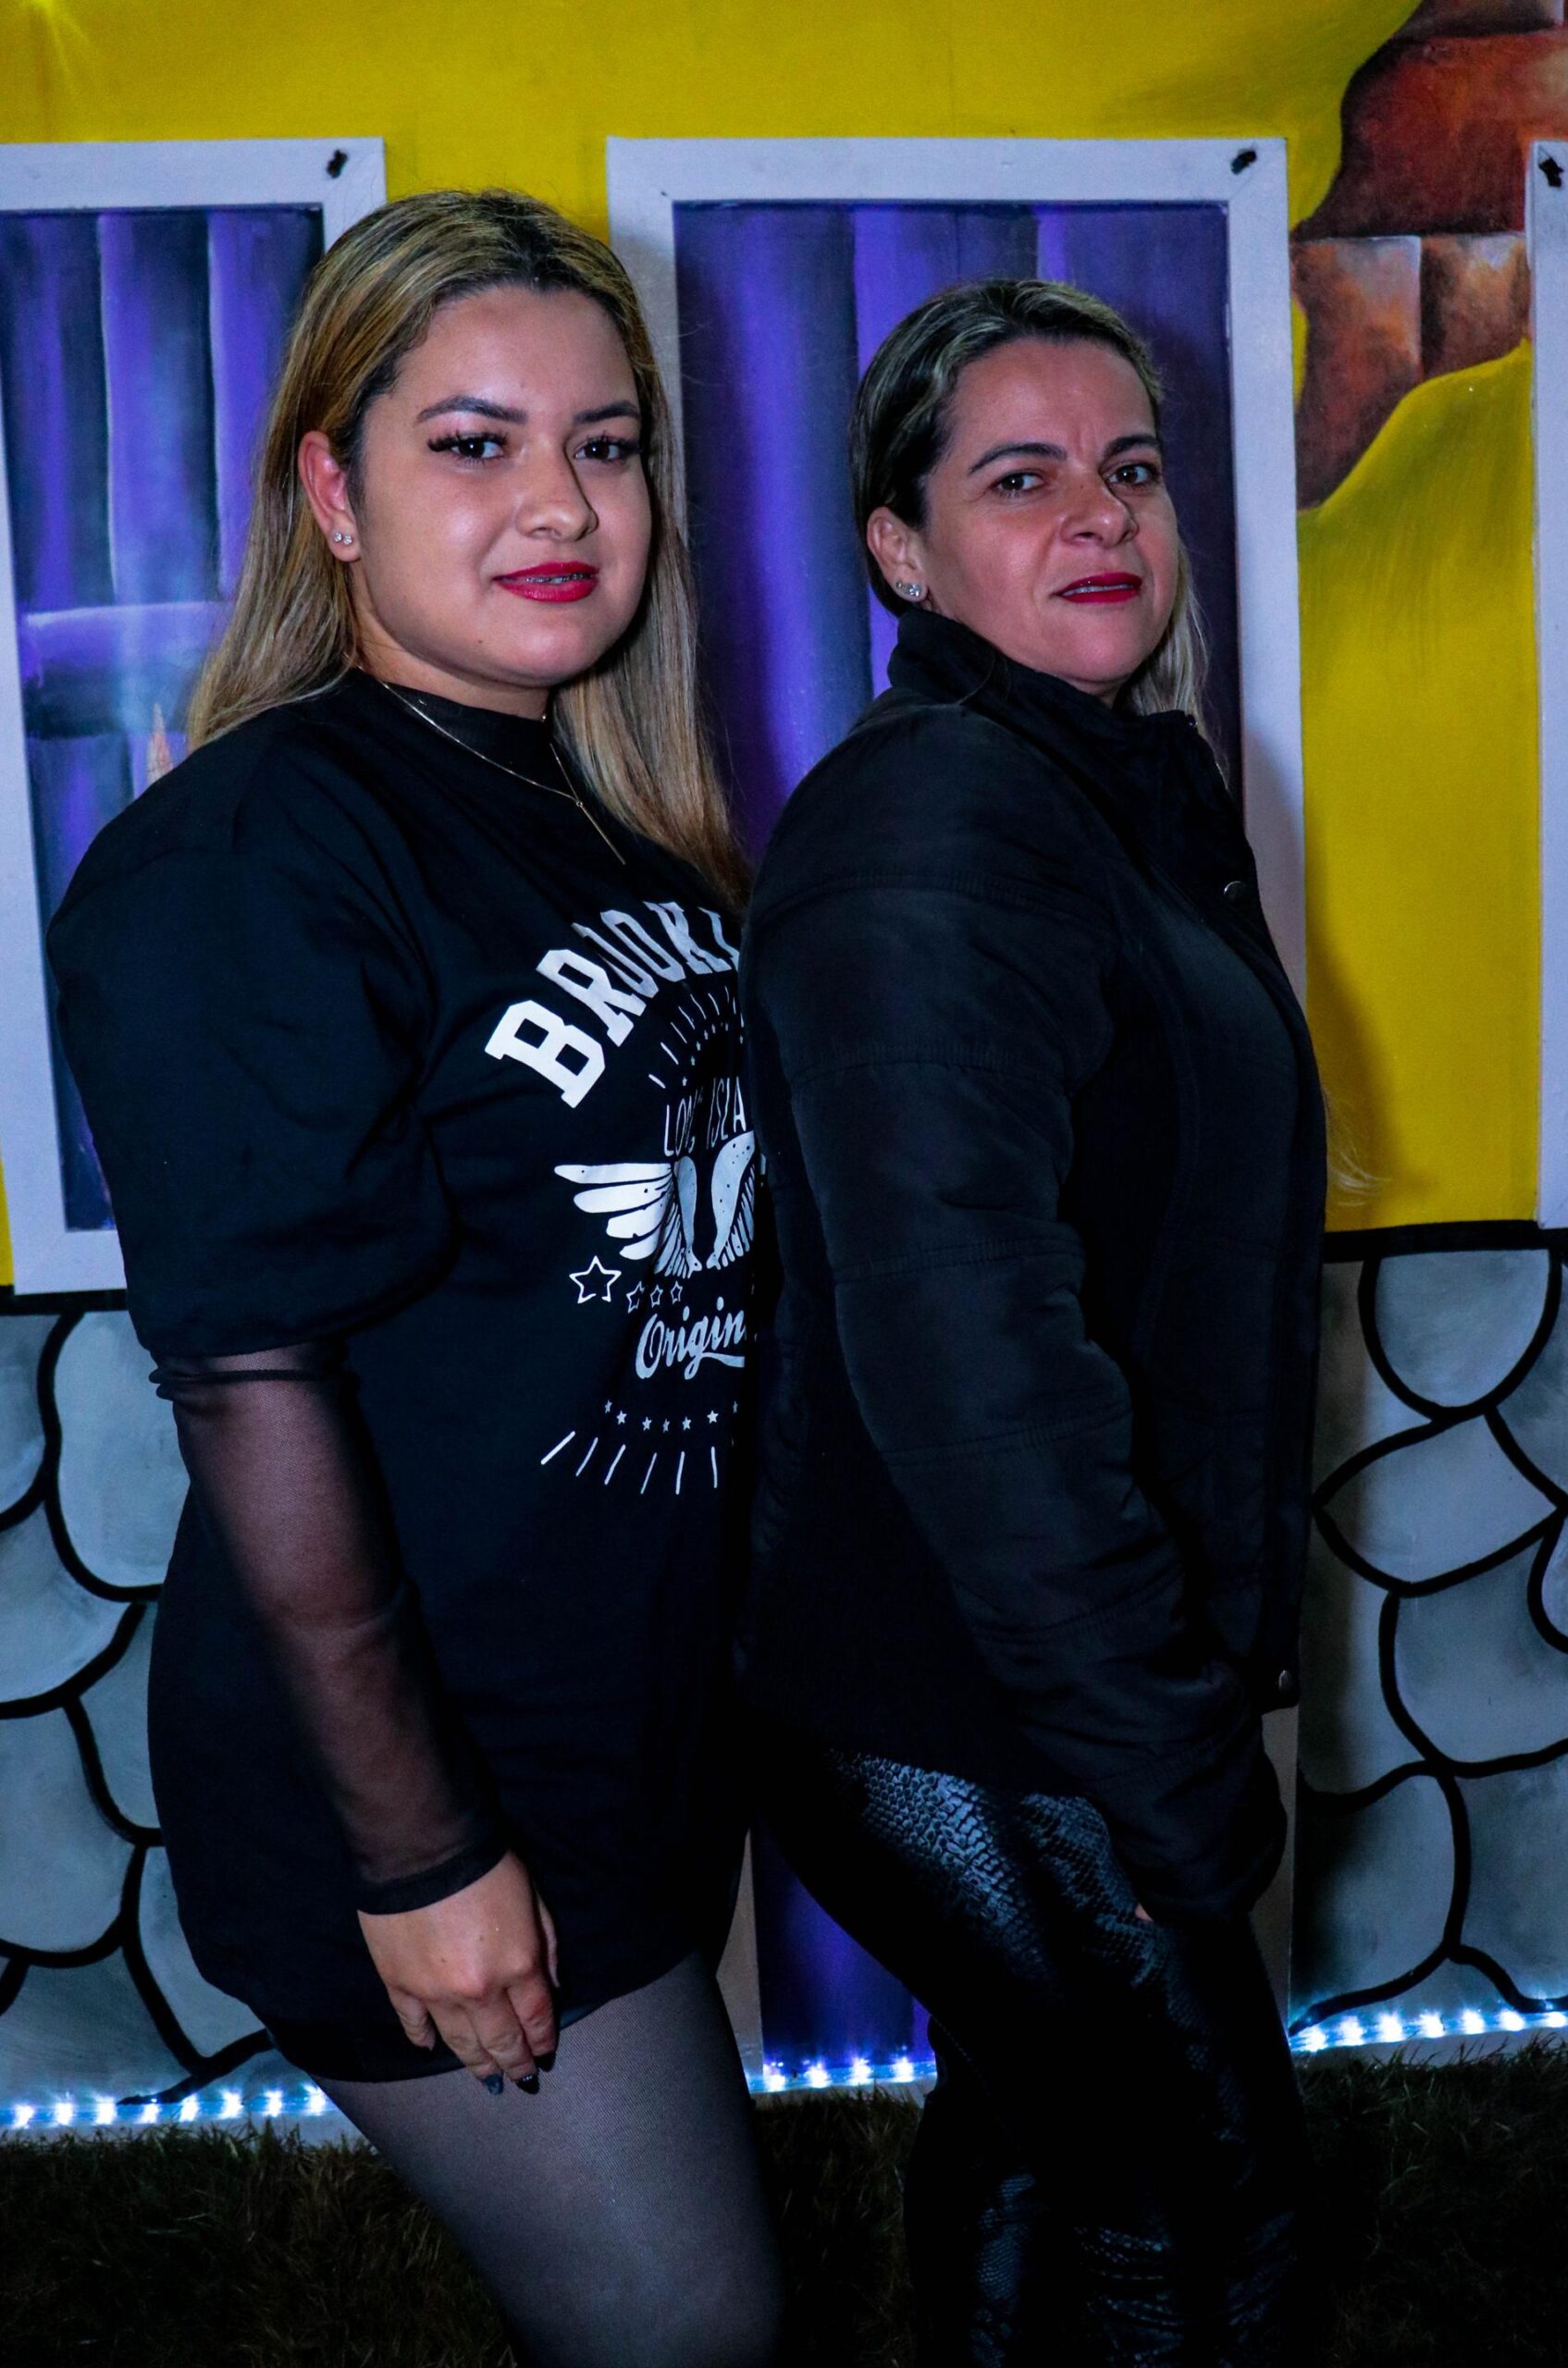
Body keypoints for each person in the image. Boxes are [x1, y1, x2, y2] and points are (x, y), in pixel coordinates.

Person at [49, 189, 782, 2368]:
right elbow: (251, 1372)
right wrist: (421, 1853)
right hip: (427, 1774)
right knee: (691, 2329)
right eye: (473, 443)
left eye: (605, 443)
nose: (560, 501)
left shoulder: (617, 833)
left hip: (622, 1728)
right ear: (331, 491)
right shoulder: (256, 846)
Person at [740, 278, 1326, 2363]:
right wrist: (1152, 1753)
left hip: (1009, 1683)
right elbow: (968, 1351)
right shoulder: (937, 825)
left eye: (1131, 468)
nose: (1101, 515)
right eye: (1019, 478)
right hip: (974, 1709)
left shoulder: (1090, 789)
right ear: (898, 551)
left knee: (1038, 2144)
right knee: (1203, 2214)